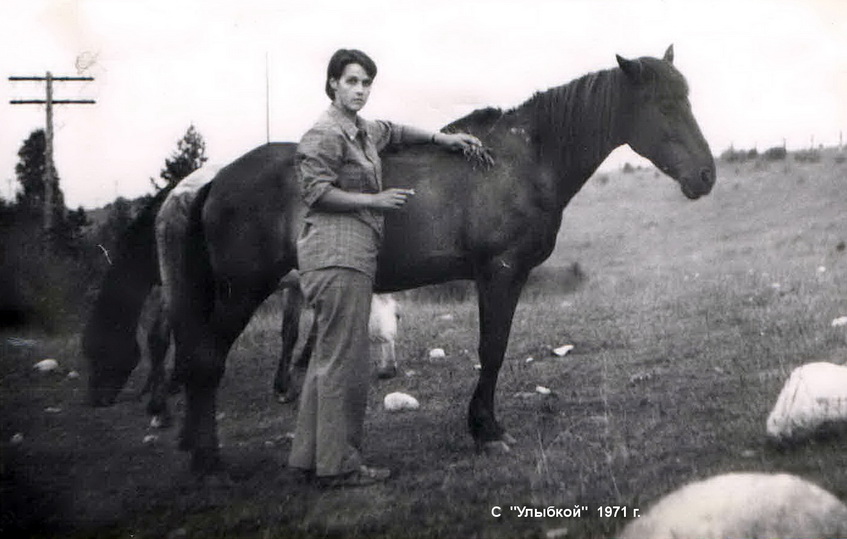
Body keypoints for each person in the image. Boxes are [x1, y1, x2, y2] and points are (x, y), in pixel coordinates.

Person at [288, 48, 481, 487]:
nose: (360, 90)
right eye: (351, 81)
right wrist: (374, 200)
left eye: (366, 83)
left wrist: (442, 139)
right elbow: (316, 192)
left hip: (350, 253)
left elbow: (394, 130)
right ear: (333, 83)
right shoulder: (324, 133)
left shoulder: (360, 130)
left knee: (328, 357)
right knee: (346, 363)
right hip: (336, 254)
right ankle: (340, 466)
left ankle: (308, 460)